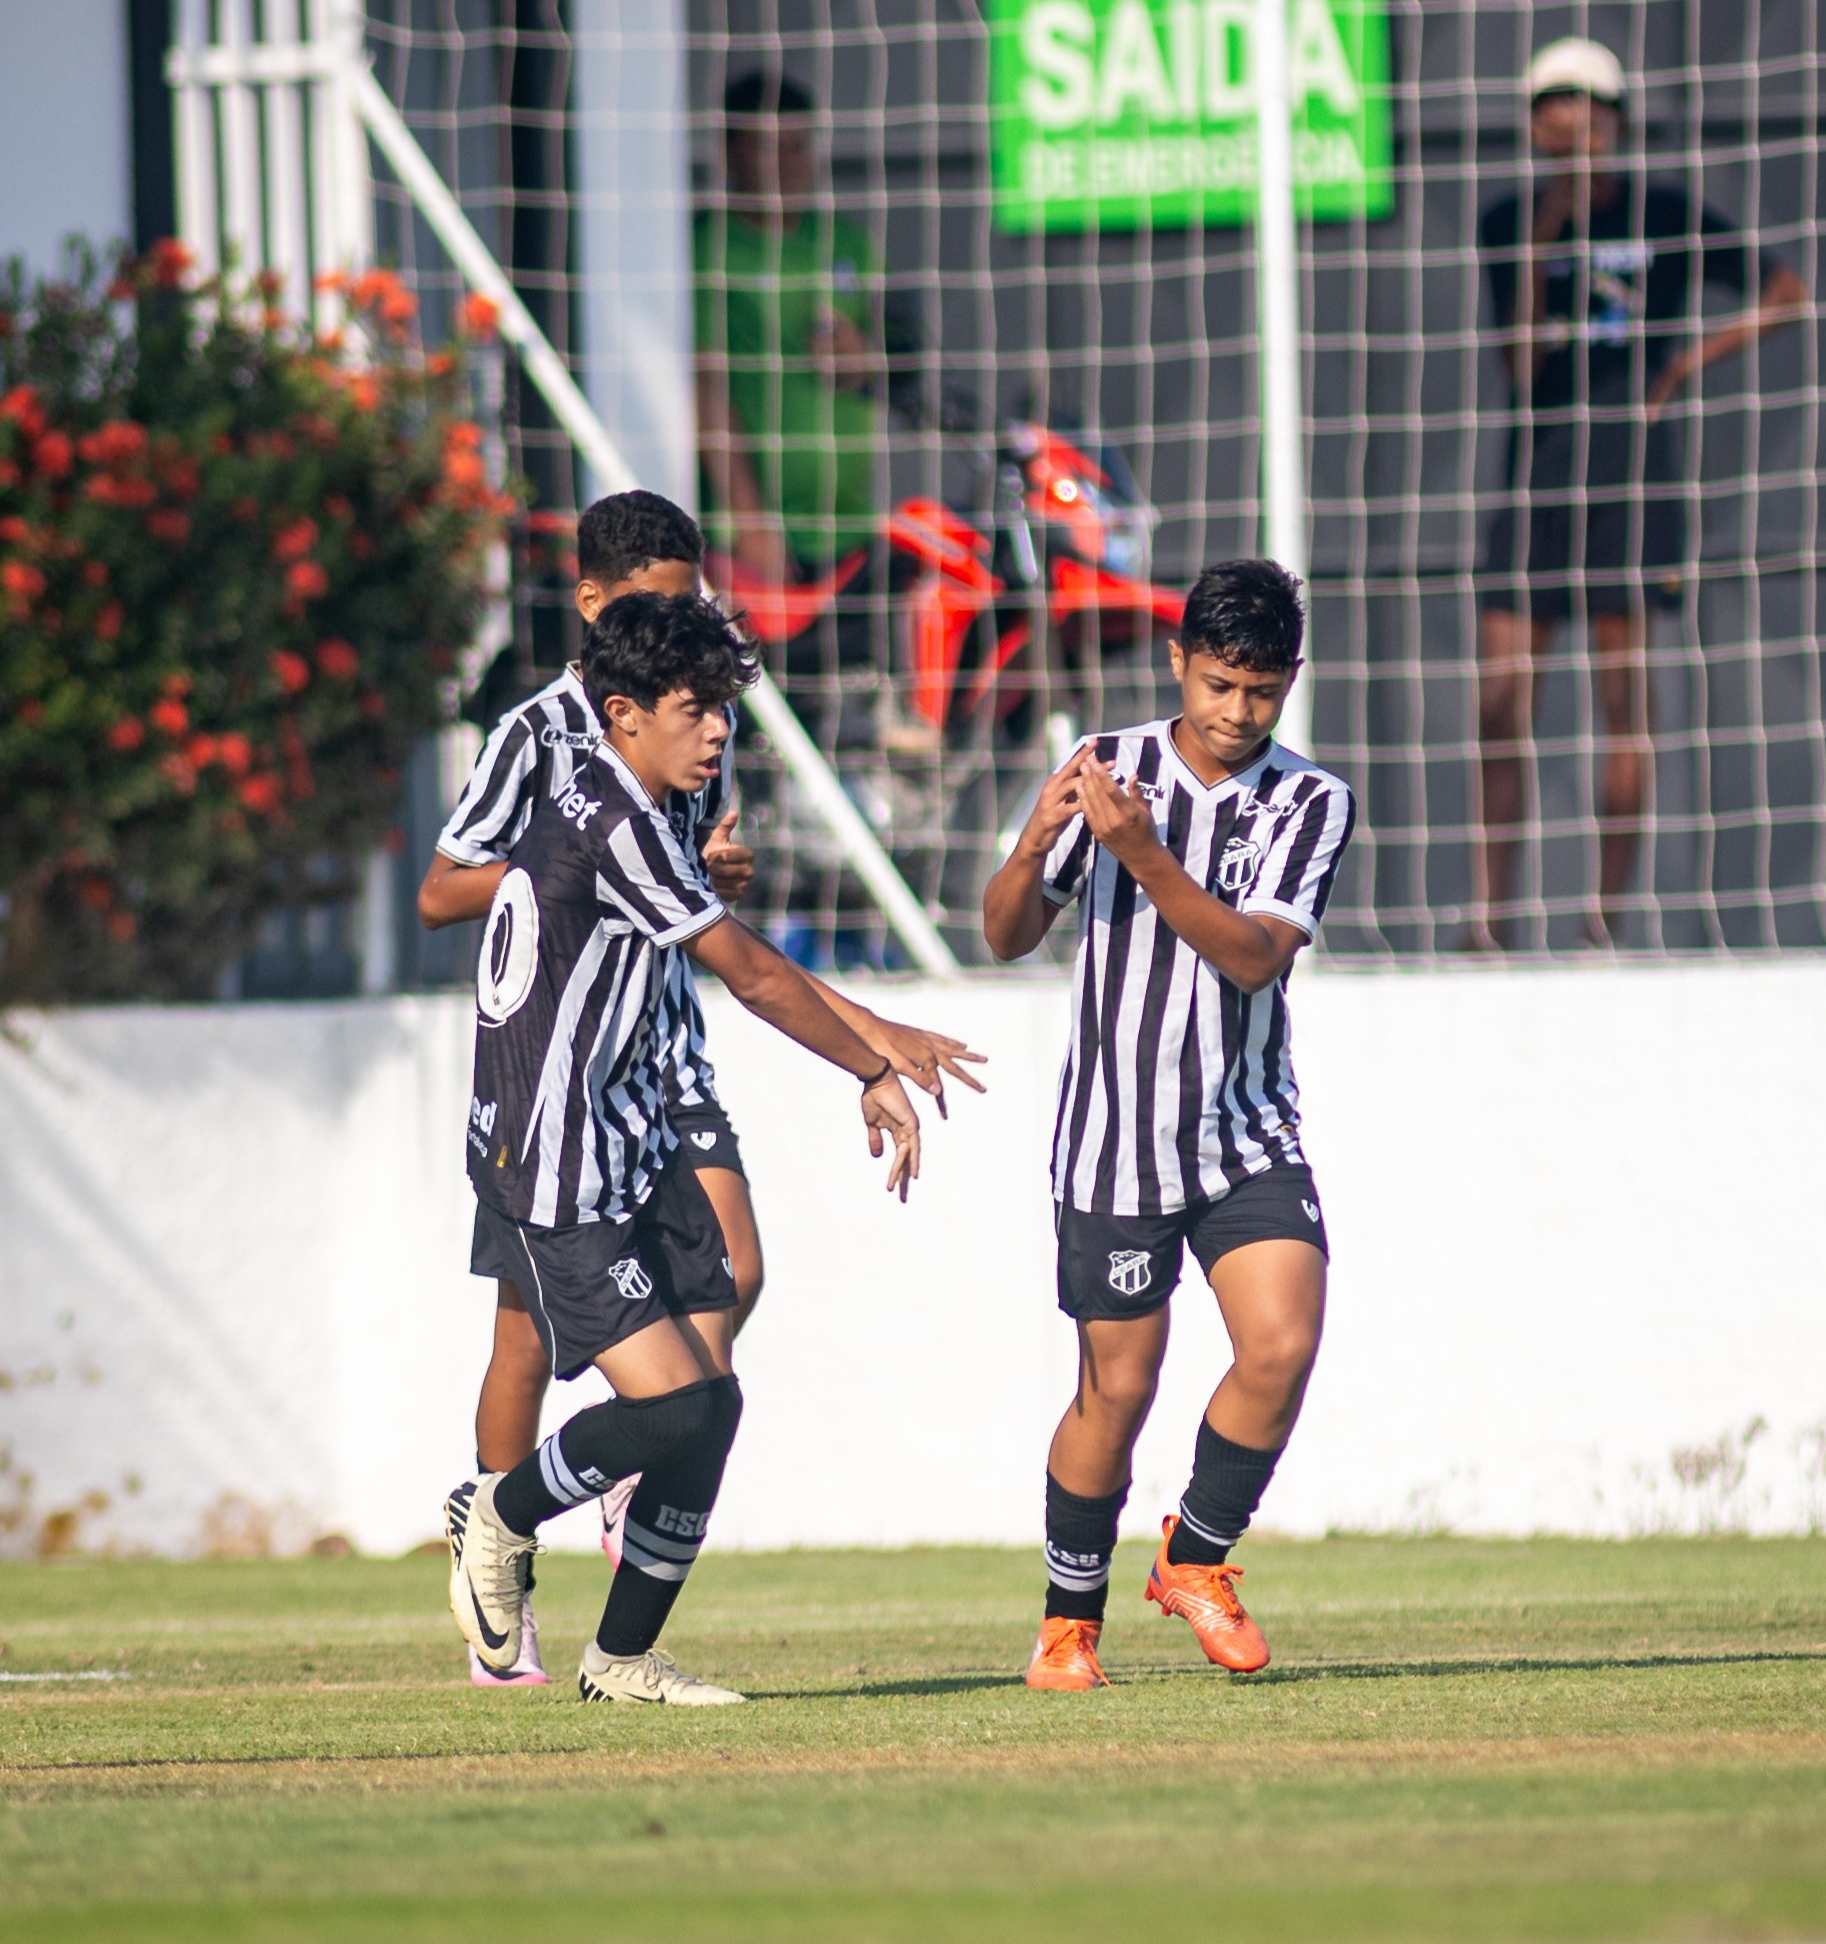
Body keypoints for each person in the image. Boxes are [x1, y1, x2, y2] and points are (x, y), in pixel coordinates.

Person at [422, 492, 982, 1686]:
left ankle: (619, 1656)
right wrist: (873, 1056)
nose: (720, 731)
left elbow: (727, 947)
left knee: (709, 1388)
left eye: (723, 705)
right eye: (697, 709)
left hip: (626, 1111)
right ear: (621, 702)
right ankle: (499, 1513)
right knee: (647, 1397)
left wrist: (867, 1045)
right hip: (555, 1144)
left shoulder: (632, 786)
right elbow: (754, 972)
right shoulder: (584, 786)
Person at [980, 560, 1352, 1691]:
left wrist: (1142, 855)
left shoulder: (1308, 801)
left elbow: (1249, 958)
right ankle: (1066, 1624)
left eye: (1262, 691)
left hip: (1242, 1133)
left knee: (1280, 1342)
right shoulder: (1108, 769)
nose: (1237, 713)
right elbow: (1003, 934)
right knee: (1117, 1390)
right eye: (1220, 684)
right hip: (1114, 1140)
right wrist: (1039, 838)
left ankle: (1194, 1557)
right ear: (1178, 660)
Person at [1472, 37, 1808, 951]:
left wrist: (1681, 365)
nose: (1568, 118)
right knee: (1500, 703)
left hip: (1631, 482)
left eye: (1585, 102)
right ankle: (1490, 921)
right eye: (1550, 103)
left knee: (1623, 700)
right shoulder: (1508, 222)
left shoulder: (1666, 210)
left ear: (1613, 119)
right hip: (1537, 480)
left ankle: (1601, 922)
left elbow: (1786, 290)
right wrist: (1548, 235)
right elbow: (1520, 363)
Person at [693, 70, 886, 605]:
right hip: (753, 541)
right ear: (730, 153)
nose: (790, 163)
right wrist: (751, 523)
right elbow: (702, 388)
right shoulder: (704, 249)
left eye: (799, 146)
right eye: (769, 148)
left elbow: (900, 358)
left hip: (850, 527)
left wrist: (864, 358)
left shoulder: (847, 244)